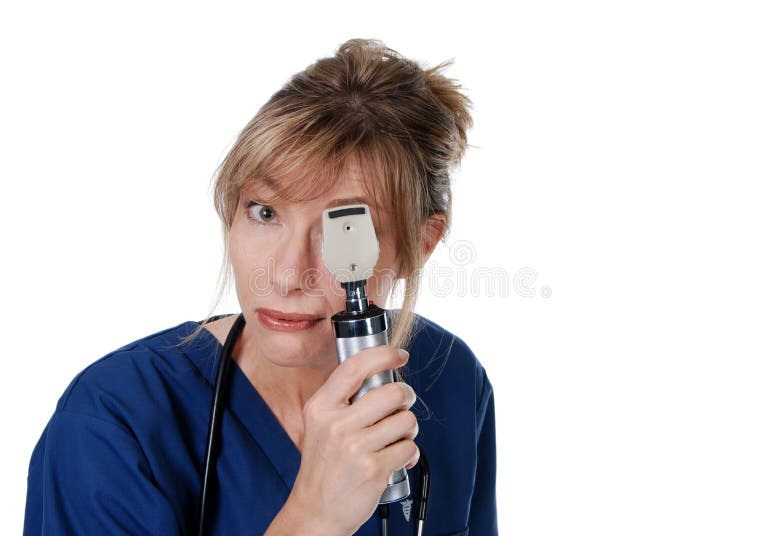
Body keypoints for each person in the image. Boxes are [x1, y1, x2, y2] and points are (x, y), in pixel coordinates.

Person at [24, 38, 497, 535]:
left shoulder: (451, 379)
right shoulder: (113, 420)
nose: (287, 275)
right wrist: (313, 517)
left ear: (421, 243)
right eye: (265, 212)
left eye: (343, 228)